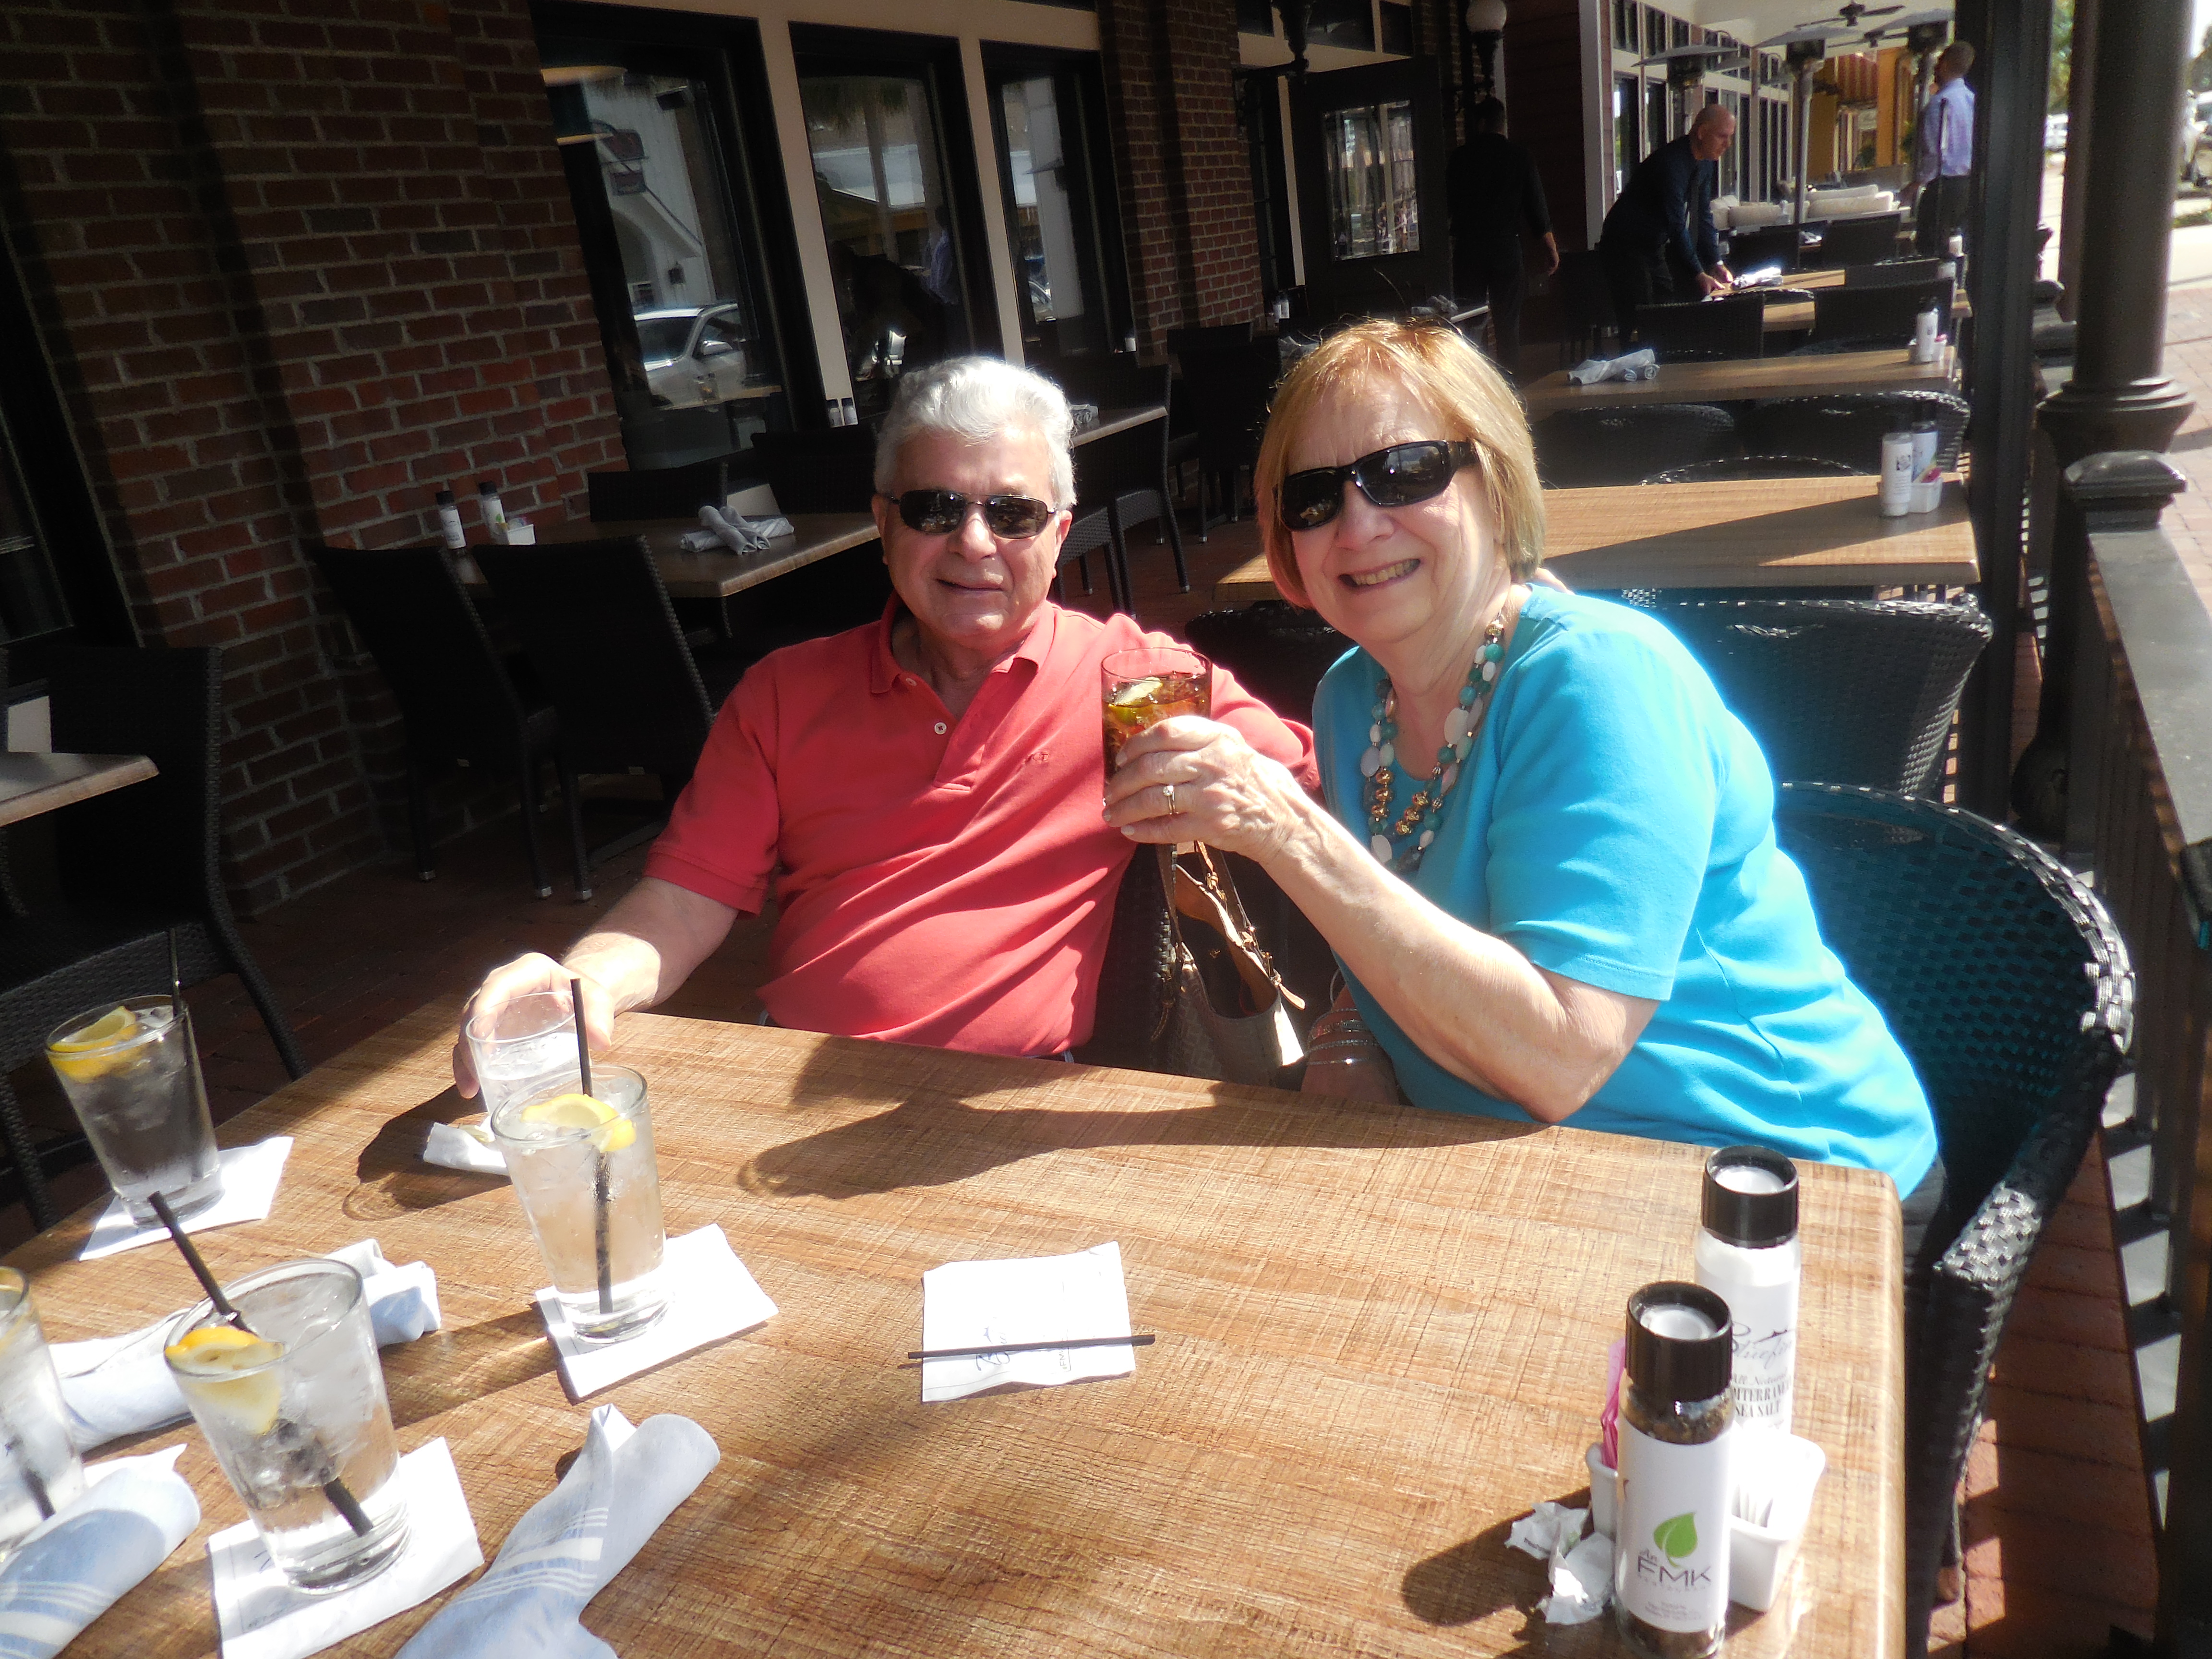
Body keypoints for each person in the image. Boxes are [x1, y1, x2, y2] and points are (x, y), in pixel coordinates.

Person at [1100, 318, 1944, 1260]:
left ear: (1495, 483)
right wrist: (1352, 1050)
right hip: (1514, 1168)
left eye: (1405, 471)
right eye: (1313, 496)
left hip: (1769, 1189)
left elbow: (1560, 1056)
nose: (1358, 524)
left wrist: (1286, 828)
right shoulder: (1352, 698)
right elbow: (1387, 932)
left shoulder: (1596, 680)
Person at [453, 358, 1317, 1089]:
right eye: (936, 509)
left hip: (1011, 1094)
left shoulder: (1136, 684)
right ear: (882, 523)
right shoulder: (784, 693)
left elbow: (1320, 792)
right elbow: (685, 900)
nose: (973, 543)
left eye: (1012, 514)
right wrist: (582, 984)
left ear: (1059, 534)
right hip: (796, 1076)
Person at [1596, 103, 1736, 338]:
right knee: (1639, 316)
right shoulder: (1672, 163)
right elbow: (1676, 223)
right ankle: (1635, 357)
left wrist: (1715, 262)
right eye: (1723, 136)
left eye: (1730, 137)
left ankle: (1662, 356)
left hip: (1653, 243)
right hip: (1623, 243)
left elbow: (1703, 214)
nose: (1728, 144)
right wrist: (1698, 272)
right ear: (1702, 133)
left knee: (1665, 302)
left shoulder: (1705, 163)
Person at [1445, 98, 1558, 382]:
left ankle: (1472, 385)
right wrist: (1551, 248)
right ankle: (1509, 386)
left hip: (1469, 248)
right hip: (1506, 247)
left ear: (1481, 123)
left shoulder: (1460, 158)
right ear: (1502, 124)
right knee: (1508, 323)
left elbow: (1447, 205)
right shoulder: (1520, 157)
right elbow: (1537, 207)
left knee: (1469, 321)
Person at [1914, 42, 1976, 257]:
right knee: (1968, 246)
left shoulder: (1940, 103)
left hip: (1944, 185)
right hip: (1969, 184)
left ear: (1946, 65)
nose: (1935, 68)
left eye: (1939, 63)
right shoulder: (1972, 100)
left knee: (1930, 250)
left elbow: (1934, 154)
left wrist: (1916, 183)